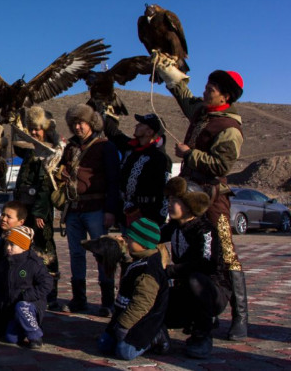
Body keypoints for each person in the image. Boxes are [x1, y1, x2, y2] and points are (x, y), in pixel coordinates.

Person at [156, 56, 248, 340]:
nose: (206, 90)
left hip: (213, 198)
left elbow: (223, 166)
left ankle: (240, 319)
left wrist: (189, 154)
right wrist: (164, 67)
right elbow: (183, 94)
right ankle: (200, 309)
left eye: (212, 88)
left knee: (226, 253)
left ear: (226, 95)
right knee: (190, 250)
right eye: (207, 85)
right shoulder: (200, 112)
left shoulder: (229, 128)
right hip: (188, 195)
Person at [56, 104, 120, 315]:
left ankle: (107, 301)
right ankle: (79, 298)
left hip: (97, 207)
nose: (77, 127)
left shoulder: (105, 146)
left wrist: (111, 210)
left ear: (91, 123)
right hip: (74, 208)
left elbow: (114, 180)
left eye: (81, 122)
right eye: (74, 123)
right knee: (76, 254)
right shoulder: (70, 148)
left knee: (102, 253)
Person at [161, 177, 231, 359]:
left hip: (212, 291)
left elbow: (207, 263)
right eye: (169, 200)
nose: (169, 205)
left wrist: (171, 270)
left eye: (174, 201)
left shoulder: (205, 229)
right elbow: (151, 236)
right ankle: (157, 333)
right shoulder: (174, 227)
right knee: (155, 304)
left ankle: (203, 334)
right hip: (184, 290)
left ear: (189, 204)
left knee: (196, 280)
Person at [12, 106, 63, 310]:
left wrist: (40, 211)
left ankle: (50, 292)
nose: (33, 133)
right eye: (31, 129)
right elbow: (16, 144)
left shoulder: (50, 150)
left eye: (37, 129)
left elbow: (47, 184)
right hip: (24, 206)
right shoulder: (30, 149)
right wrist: (16, 119)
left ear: (47, 129)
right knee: (25, 246)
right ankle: (28, 286)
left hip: (40, 209)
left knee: (46, 249)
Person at [98, 218, 170, 360]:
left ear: (143, 244)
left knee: (124, 352)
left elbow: (142, 304)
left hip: (144, 320)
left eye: (130, 239)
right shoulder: (136, 258)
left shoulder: (149, 271)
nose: (127, 241)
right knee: (104, 345)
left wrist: (124, 325)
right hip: (125, 314)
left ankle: (156, 336)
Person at [102, 111, 172, 229]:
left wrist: (158, 221)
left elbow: (165, 193)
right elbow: (113, 133)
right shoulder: (131, 148)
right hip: (126, 213)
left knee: (144, 248)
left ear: (149, 132)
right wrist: (102, 109)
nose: (136, 126)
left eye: (141, 124)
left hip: (148, 217)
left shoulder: (160, 158)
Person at [0, 226, 53, 349]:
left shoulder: (33, 263)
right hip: (12, 306)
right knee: (11, 338)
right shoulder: (5, 263)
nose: (8, 248)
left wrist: (27, 295)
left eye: (12, 245)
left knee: (22, 307)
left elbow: (47, 284)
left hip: (31, 304)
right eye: (7, 244)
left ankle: (35, 336)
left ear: (23, 246)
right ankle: (26, 327)